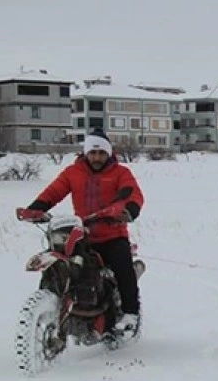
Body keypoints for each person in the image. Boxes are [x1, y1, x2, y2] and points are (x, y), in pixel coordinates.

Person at [20, 130, 146, 334]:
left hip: (111, 235)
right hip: (82, 234)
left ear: (108, 153)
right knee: (66, 264)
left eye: (101, 153)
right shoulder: (73, 172)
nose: (97, 157)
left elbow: (133, 193)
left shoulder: (121, 173)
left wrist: (128, 210)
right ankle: (57, 305)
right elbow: (54, 192)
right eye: (93, 152)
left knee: (123, 264)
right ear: (86, 152)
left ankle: (130, 312)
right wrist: (35, 209)